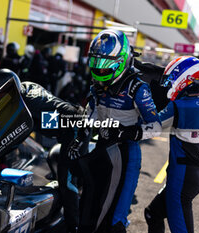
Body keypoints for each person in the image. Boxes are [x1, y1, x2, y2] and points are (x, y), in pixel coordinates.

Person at [67, 29, 161, 233]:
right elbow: (90, 116)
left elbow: (156, 127)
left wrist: (129, 133)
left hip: (127, 155)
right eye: (96, 65)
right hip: (102, 149)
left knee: (115, 219)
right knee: (89, 209)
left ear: (121, 60)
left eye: (104, 66)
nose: (99, 72)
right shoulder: (97, 86)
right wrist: (79, 138)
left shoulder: (137, 88)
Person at [0, 69, 85, 233]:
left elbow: (12, 137)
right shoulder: (23, 90)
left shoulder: (27, 102)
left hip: (75, 127)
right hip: (63, 128)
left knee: (66, 180)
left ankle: (74, 226)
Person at [144, 56, 199, 233]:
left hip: (180, 176)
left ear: (185, 79)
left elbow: (150, 129)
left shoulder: (179, 106)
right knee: (153, 213)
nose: (169, 84)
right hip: (197, 174)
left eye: (173, 79)